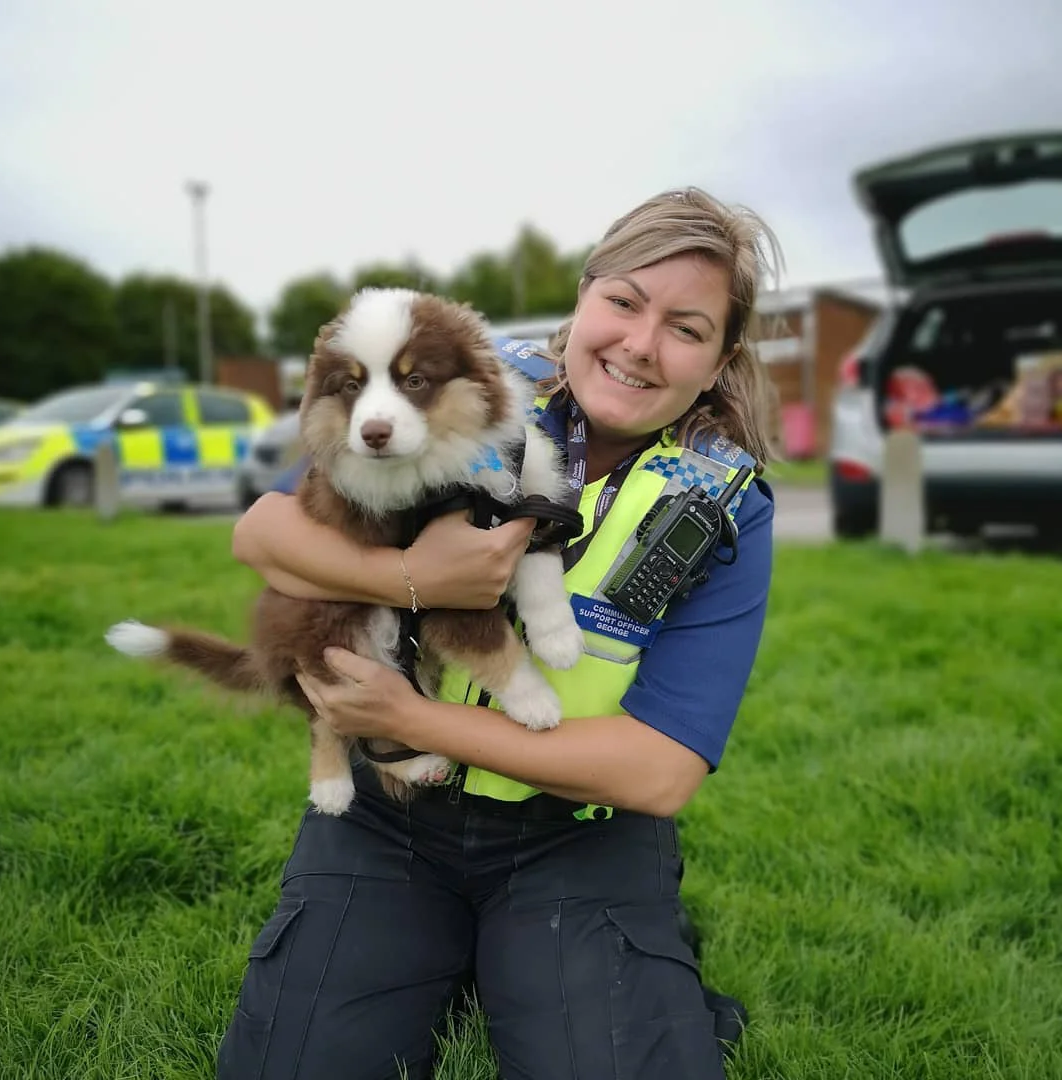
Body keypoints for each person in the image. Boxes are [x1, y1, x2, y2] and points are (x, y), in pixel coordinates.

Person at [218, 187, 778, 1080]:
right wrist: (411, 580)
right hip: (390, 815)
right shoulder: (467, 390)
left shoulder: (723, 503)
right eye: (624, 302)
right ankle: (481, 955)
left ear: (718, 361)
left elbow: (663, 772)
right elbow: (262, 533)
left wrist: (416, 717)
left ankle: (595, 961)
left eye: (686, 327)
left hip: (577, 832)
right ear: (584, 299)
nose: (639, 344)